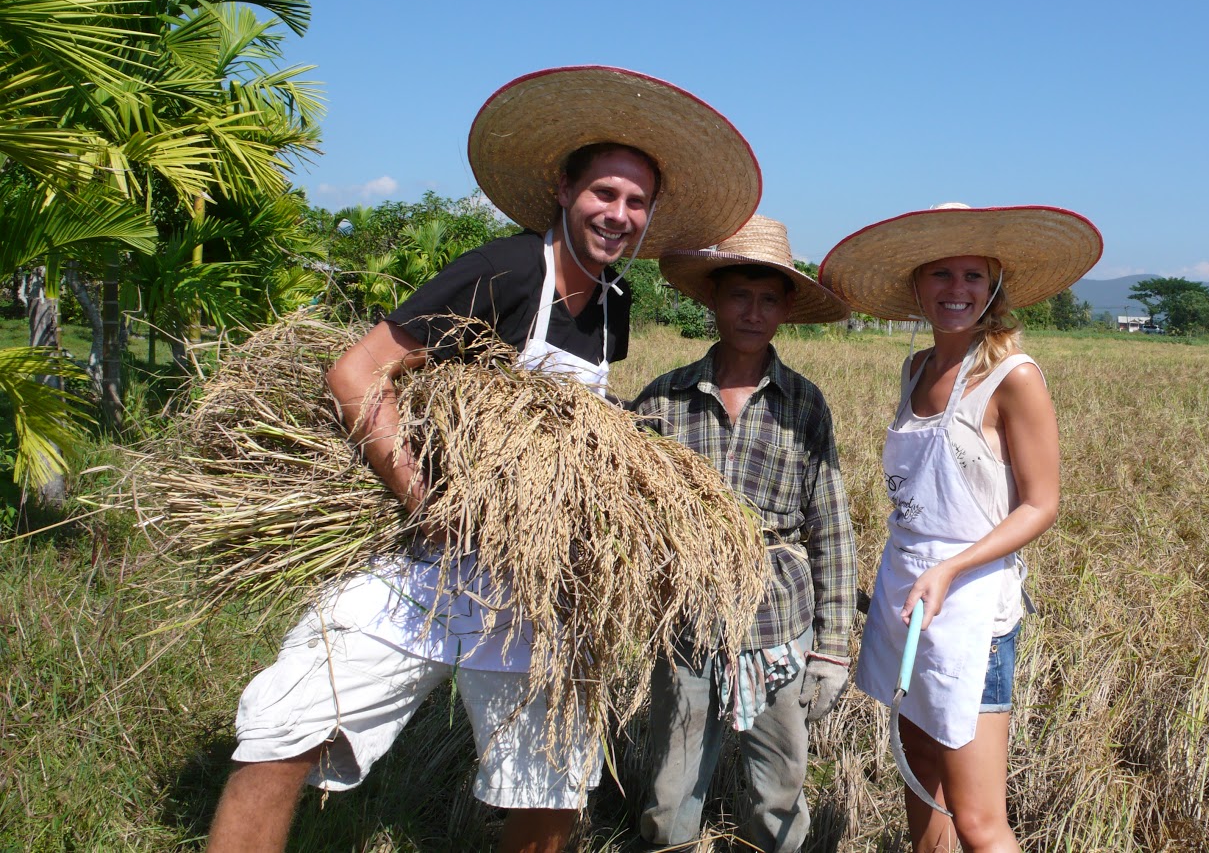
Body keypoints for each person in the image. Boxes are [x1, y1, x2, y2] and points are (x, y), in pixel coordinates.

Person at [205, 66, 761, 853]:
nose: (619, 214)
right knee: (288, 728)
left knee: (550, 786)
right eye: (604, 193)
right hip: (427, 565)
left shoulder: (615, 303)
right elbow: (357, 374)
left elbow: (572, 424)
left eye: (637, 202)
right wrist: (428, 502)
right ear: (564, 189)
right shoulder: (507, 269)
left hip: (533, 583)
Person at [818, 202, 1102, 852]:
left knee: (978, 820)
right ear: (917, 286)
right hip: (907, 590)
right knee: (920, 772)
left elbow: (1041, 505)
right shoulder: (915, 368)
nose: (957, 289)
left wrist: (951, 567)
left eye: (973, 275)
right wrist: (923, 571)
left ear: (993, 286)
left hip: (972, 603)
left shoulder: (1012, 377)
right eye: (941, 273)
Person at [630, 215, 855, 851]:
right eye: (738, 296)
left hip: (780, 621)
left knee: (780, 789)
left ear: (785, 309)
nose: (752, 313)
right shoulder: (664, 399)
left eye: (767, 299)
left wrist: (833, 648)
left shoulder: (804, 404)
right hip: (687, 621)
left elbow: (831, 528)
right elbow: (629, 516)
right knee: (670, 790)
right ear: (713, 300)